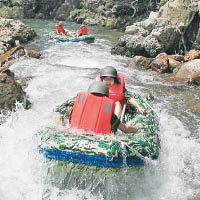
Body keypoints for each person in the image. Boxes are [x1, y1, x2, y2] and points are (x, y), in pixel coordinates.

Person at [57, 81, 143, 135]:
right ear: (105, 96)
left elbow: (61, 119)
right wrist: (137, 127)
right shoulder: (110, 116)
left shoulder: (75, 109)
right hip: (100, 143)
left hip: (75, 137)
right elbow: (126, 129)